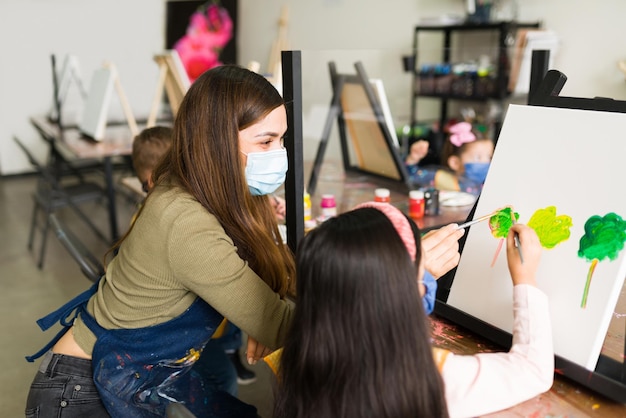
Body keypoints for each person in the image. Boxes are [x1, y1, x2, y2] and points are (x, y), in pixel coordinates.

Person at [25, 65, 296, 417]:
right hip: (80, 394)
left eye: (282, 140)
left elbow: (261, 301)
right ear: (217, 141)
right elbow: (278, 324)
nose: (279, 153)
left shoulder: (192, 185)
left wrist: (262, 305)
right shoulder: (186, 222)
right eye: (266, 141)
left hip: (129, 374)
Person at [273, 202, 553, 418]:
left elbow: (365, 307)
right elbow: (532, 370)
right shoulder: (428, 377)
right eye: (421, 279)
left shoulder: (300, 357)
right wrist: (525, 278)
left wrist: (411, 274)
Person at [132, 125, 258, 392]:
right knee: (224, 379)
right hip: (169, 337)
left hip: (176, 327)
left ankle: (228, 348)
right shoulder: (172, 224)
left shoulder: (159, 212)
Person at [405, 121, 494, 196]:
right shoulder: (440, 178)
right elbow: (410, 177)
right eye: (478, 157)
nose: (485, 162)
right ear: (455, 163)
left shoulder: (487, 186)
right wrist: (413, 158)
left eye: (489, 157)